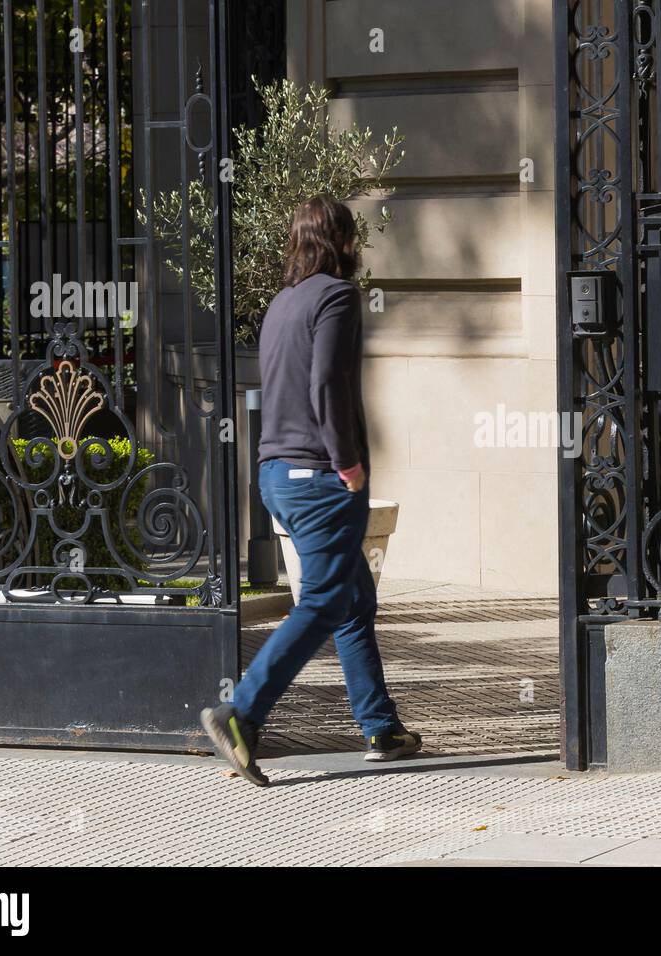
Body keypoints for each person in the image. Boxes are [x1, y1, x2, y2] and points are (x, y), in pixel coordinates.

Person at [202, 196, 420, 787]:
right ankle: (241, 714)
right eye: (352, 237)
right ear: (339, 241)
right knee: (323, 602)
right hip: (320, 479)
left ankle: (380, 727)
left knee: (352, 601)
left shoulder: (281, 303)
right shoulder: (338, 296)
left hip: (277, 474)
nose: (356, 247)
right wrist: (347, 462)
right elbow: (326, 380)